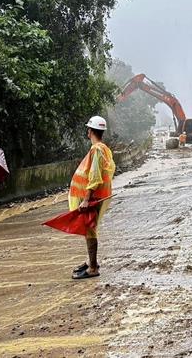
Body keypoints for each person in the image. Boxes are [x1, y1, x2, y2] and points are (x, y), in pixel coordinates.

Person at [69, 116, 116, 280]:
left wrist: (87, 198)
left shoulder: (96, 150)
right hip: (97, 196)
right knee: (90, 229)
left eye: (88, 129)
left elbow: (95, 176)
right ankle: (91, 262)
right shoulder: (104, 149)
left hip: (92, 197)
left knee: (90, 229)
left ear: (90, 131)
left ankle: (93, 267)